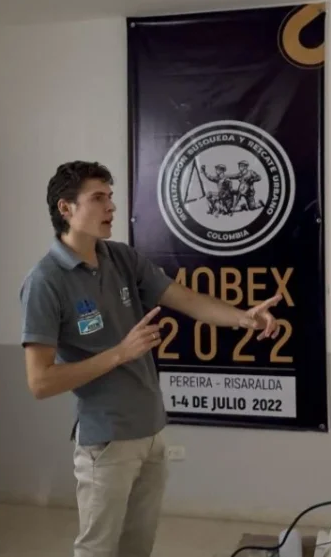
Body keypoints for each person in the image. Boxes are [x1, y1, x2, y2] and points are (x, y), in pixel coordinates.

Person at [18, 161, 283, 557]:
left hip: (151, 433)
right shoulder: (46, 281)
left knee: (138, 548)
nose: (111, 206)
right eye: (98, 198)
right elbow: (40, 382)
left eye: (111, 197)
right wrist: (119, 353)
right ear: (66, 208)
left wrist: (243, 318)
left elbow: (186, 299)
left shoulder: (121, 258)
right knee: (98, 550)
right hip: (106, 441)